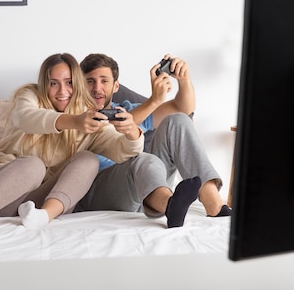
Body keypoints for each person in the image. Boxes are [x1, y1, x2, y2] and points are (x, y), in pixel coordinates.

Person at [0, 53, 145, 235]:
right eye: (54, 83)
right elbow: (26, 117)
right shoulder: (29, 96)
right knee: (33, 165)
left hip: (31, 205)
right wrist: (73, 121)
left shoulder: (89, 116)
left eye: (69, 82)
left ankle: (44, 217)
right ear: (45, 85)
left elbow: (123, 152)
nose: (62, 91)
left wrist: (131, 132)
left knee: (88, 160)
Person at [74, 53, 230, 227]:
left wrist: (184, 80)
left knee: (178, 120)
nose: (97, 88)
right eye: (90, 81)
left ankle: (212, 201)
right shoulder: (76, 117)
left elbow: (183, 108)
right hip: (104, 190)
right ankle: (169, 205)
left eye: (104, 81)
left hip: (148, 185)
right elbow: (111, 131)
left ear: (115, 86)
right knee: (142, 159)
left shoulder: (128, 109)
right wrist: (154, 100)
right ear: (80, 86)